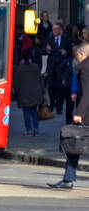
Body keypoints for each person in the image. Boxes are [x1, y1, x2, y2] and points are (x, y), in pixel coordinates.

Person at [49, 42, 89, 190]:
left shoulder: (85, 69)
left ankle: (68, 179)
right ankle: (68, 178)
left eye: (76, 55)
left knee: (73, 144)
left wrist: (79, 113)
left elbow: (86, 93)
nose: (75, 58)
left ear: (81, 54)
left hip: (86, 115)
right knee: (74, 146)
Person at [12, 49, 45, 137]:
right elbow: (41, 80)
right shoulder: (36, 67)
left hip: (24, 94)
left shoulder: (19, 69)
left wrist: (16, 93)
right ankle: (36, 129)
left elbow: (16, 83)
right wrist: (43, 92)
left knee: (26, 112)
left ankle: (29, 130)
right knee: (34, 112)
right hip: (36, 93)